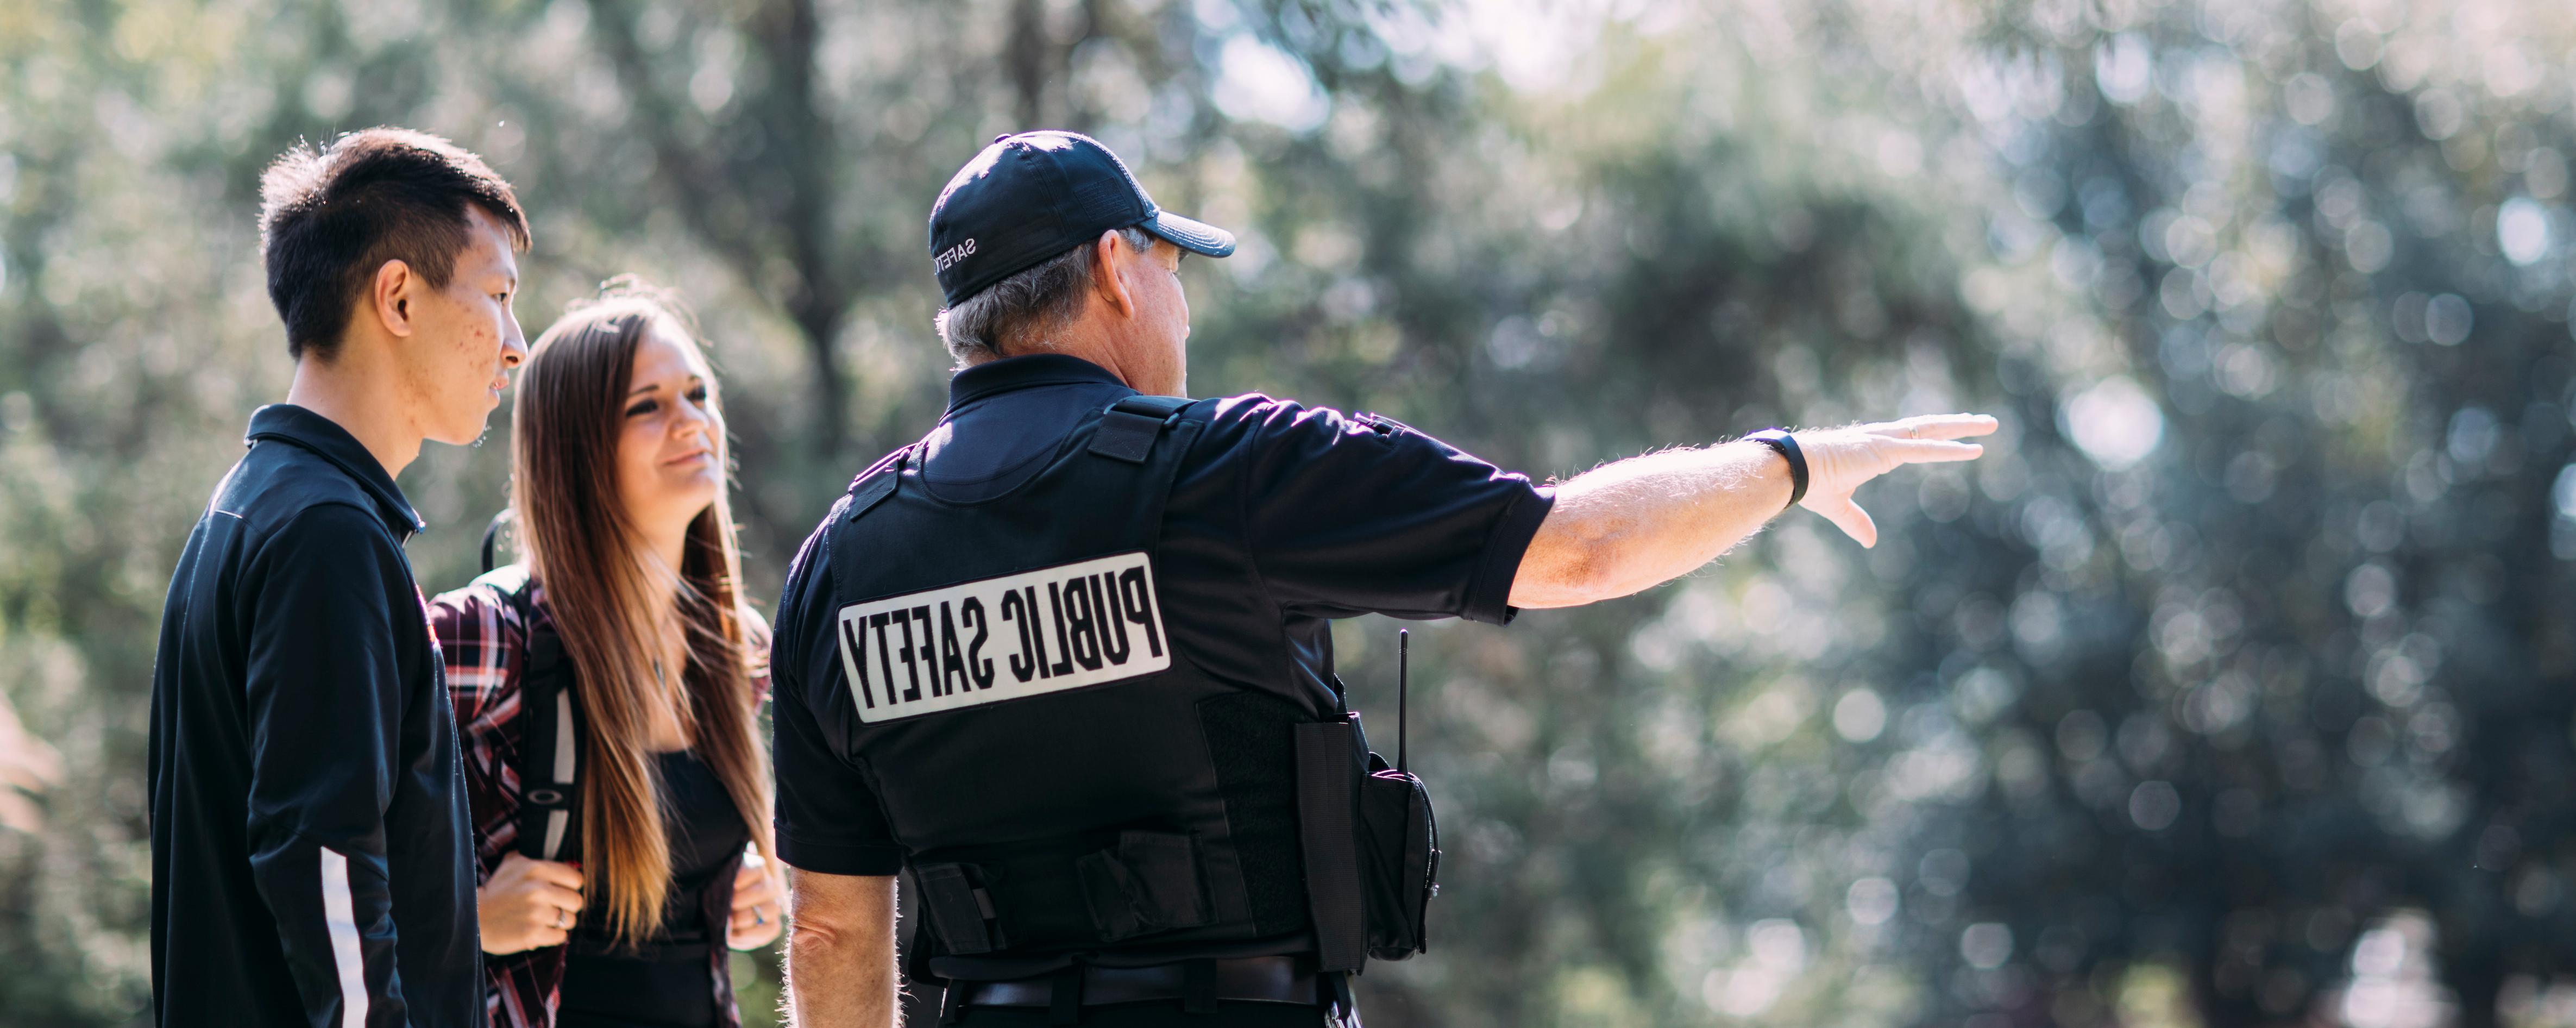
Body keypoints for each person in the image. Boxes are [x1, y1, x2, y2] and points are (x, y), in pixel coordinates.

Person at [766, 131, 1997, 1027]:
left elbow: (828, 930)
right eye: (1172, 264)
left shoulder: (836, 564)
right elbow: (1573, 544)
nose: (1179, 303)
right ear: (1114, 270)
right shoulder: (1222, 469)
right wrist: (1788, 461)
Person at [147, 127, 530, 1027]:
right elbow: (322, 858)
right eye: (500, 296)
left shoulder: (255, 506)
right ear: (397, 297)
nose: (516, 345)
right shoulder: (324, 534)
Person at [429, 279, 786, 1028]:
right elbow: (306, 829)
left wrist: (741, 882)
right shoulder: (490, 638)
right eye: (646, 406)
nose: (691, 422)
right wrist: (463, 920)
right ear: (576, 447)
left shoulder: (736, 650)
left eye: (697, 394)